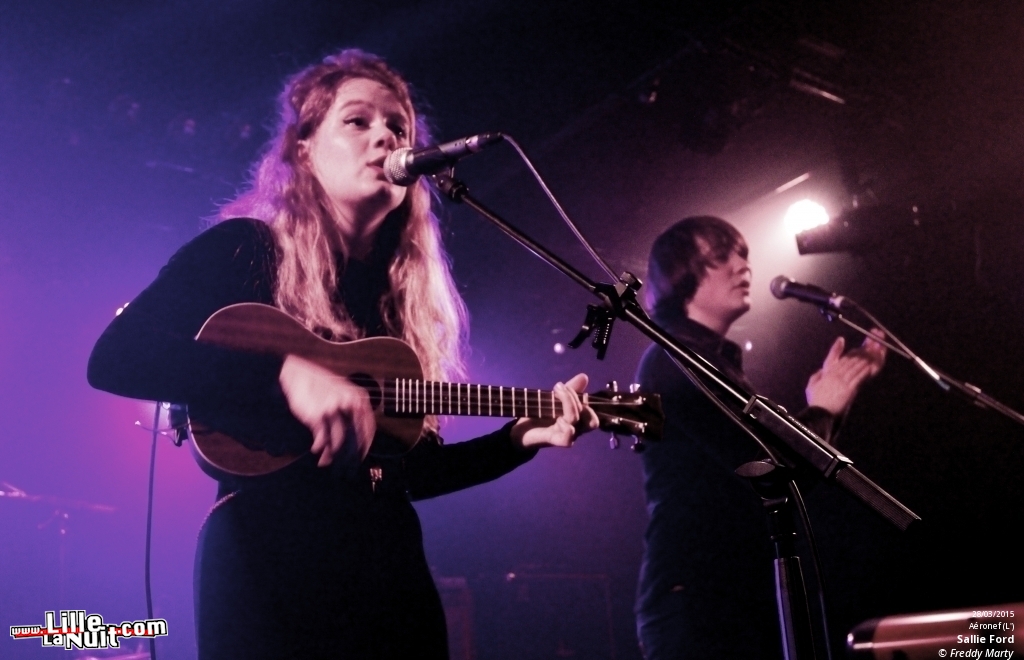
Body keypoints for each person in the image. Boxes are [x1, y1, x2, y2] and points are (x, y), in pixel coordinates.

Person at [87, 49, 598, 660]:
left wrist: (517, 441)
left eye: (398, 127)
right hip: (266, 566)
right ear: (304, 150)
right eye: (358, 121)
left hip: (387, 570)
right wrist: (284, 375)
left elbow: (405, 471)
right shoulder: (243, 251)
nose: (386, 137)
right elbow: (117, 356)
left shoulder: (400, 298)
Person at [633, 216, 886, 659]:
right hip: (699, 603)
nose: (742, 265)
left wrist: (828, 407)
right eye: (721, 256)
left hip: (732, 596)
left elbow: (787, 471)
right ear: (679, 273)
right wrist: (823, 409)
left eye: (744, 254)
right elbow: (771, 468)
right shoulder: (675, 359)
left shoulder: (712, 361)